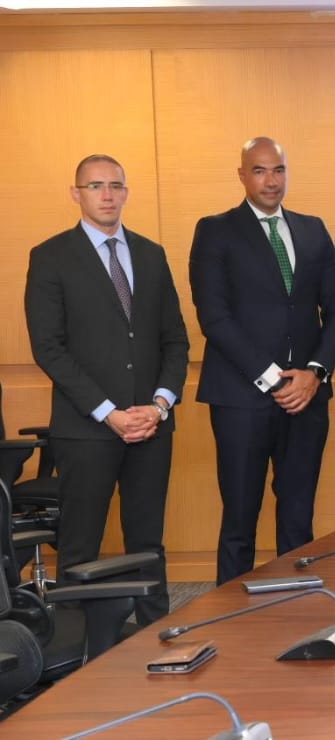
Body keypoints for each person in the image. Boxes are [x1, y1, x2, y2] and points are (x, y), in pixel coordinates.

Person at [24, 154, 189, 625]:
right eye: (95, 185)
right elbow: (48, 348)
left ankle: (156, 635)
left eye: (115, 185)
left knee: (148, 541)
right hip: (86, 429)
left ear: (126, 192)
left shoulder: (151, 254)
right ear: (76, 194)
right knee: (80, 545)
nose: (107, 195)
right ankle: (75, 646)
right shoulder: (51, 256)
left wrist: (159, 405)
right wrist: (108, 412)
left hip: (151, 426)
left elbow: (175, 340)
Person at [190, 137, 335, 584]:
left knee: (299, 517)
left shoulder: (312, 229)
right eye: (259, 170)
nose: (271, 180)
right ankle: (230, 612)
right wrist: (274, 379)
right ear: (242, 175)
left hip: (307, 397)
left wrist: (315, 373)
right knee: (240, 518)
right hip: (242, 398)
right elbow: (214, 318)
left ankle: (297, 607)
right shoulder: (216, 230)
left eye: (278, 169)